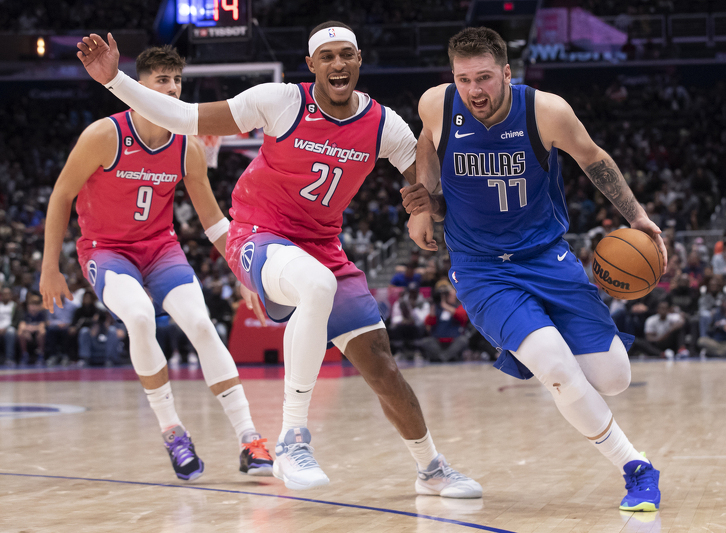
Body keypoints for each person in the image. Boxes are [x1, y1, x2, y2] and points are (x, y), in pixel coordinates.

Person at [76, 25, 481, 496]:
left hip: (322, 245)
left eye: (346, 55)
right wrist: (115, 81)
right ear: (311, 66)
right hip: (257, 234)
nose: (337, 64)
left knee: (382, 366)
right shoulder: (280, 101)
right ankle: (292, 439)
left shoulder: (383, 123)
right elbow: (186, 117)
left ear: (359, 60)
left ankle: (430, 467)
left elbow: (424, 171)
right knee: (316, 285)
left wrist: (425, 205)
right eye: (326, 56)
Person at [402, 27, 667, 511]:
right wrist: (426, 202)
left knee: (612, 378)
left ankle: (542, 351)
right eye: (463, 79)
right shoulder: (435, 104)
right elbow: (427, 142)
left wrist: (638, 218)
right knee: (557, 368)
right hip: (481, 268)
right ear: (452, 78)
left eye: (484, 77)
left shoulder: (546, 111)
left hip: (546, 256)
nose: (474, 90)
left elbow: (594, 159)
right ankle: (637, 469)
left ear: (507, 73)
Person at [41, 45, 273, 481]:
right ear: (139, 86)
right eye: (161, 80)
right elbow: (61, 195)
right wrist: (49, 268)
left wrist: (245, 272)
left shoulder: (186, 147)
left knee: (203, 326)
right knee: (140, 317)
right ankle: (173, 432)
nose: (171, 88)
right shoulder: (103, 135)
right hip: (107, 250)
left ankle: (250, 440)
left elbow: (213, 221)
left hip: (160, 248)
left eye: (176, 80)